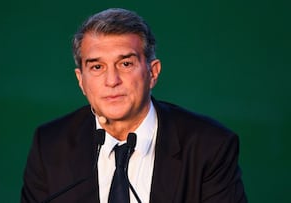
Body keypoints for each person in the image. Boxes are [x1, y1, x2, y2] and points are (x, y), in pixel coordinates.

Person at [21, 8, 247, 203]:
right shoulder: (50, 146)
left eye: (126, 64)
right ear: (81, 80)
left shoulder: (209, 147)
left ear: (153, 72)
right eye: (97, 67)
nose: (112, 81)